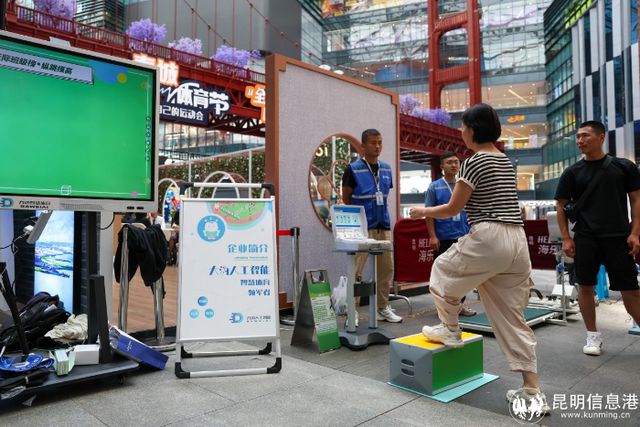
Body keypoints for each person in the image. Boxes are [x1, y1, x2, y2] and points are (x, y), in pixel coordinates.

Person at [409, 103, 547, 410]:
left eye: (463, 127)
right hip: (517, 240)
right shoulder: (504, 160)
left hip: (489, 235)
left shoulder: (472, 162)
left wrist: (422, 211)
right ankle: (531, 390)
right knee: (511, 317)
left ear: (472, 130)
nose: (461, 131)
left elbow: (453, 208)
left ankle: (450, 330)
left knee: (441, 270)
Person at [555, 120, 640, 356]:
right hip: (585, 237)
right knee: (585, 286)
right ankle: (592, 336)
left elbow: (636, 199)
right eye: (577, 137)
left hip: (619, 237)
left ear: (601, 137)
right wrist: (566, 238)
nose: (579, 140)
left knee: (631, 290)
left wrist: (635, 232)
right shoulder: (572, 172)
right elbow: (560, 206)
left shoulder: (623, 167)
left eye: (585, 136)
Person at [341, 128, 402, 323]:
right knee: (356, 270)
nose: (377, 146)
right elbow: (346, 198)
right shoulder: (352, 169)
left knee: (386, 269)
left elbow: (384, 194)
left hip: (383, 224)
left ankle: (383, 307)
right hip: (363, 227)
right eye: (373, 143)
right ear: (363, 145)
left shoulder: (386, 168)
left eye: (380, 142)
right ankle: (353, 311)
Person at [424, 152, 476, 317]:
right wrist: (433, 236)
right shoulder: (434, 187)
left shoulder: (464, 185)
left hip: (463, 237)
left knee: (462, 273)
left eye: (456, 162)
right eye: (449, 162)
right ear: (442, 166)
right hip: (443, 238)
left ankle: (459, 305)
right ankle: (444, 307)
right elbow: (429, 214)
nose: (453, 165)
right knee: (444, 274)